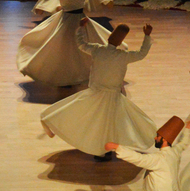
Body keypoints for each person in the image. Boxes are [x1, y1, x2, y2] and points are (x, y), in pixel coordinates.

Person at [41, 19, 155, 161]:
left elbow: (81, 44)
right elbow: (141, 53)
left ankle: (97, 146)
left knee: (90, 118)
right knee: (107, 123)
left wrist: (81, 29)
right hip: (111, 97)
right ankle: (103, 149)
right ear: (121, 42)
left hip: (95, 93)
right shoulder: (123, 56)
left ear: (109, 37)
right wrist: (147, 36)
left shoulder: (98, 50)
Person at [17, 0, 110, 87]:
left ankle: (86, 72)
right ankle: (65, 76)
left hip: (78, 16)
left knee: (84, 45)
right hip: (70, 18)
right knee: (68, 49)